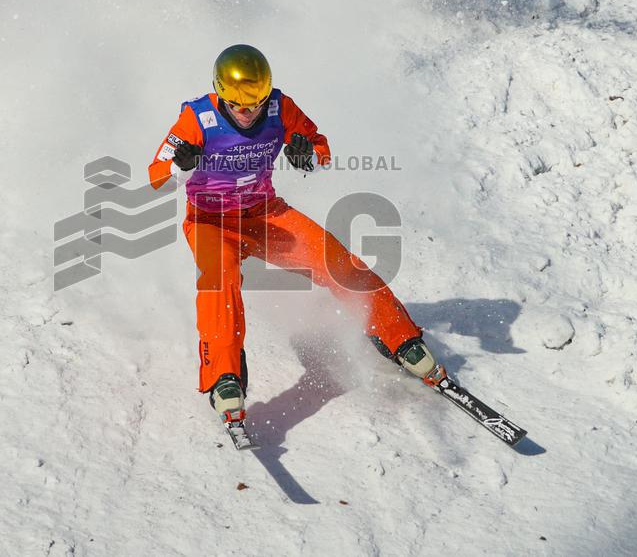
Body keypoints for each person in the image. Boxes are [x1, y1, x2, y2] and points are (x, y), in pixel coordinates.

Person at [148, 44, 445, 426]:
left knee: (335, 260)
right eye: (239, 107)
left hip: (264, 213)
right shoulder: (196, 118)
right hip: (211, 220)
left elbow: (319, 145)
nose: (248, 113)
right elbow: (155, 174)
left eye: (255, 104)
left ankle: (399, 336)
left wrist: (309, 157)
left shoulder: (278, 107)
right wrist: (179, 166)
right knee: (218, 283)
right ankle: (224, 376)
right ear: (221, 95)